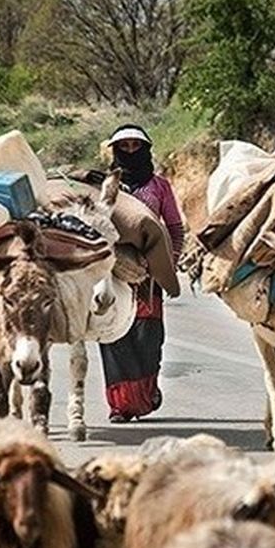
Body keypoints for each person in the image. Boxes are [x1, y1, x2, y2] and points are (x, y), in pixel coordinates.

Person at [100, 124, 184, 423]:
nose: (131, 151)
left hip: (148, 276)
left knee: (148, 338)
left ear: (146, 149)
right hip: (113, 272)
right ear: (116, 151)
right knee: (113, 336)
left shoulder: (159, 186)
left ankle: (146, 395)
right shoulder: (106, 185)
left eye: (137, 146)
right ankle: (121, 405)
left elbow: (174, 226)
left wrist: (168, 260)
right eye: (125, 147)